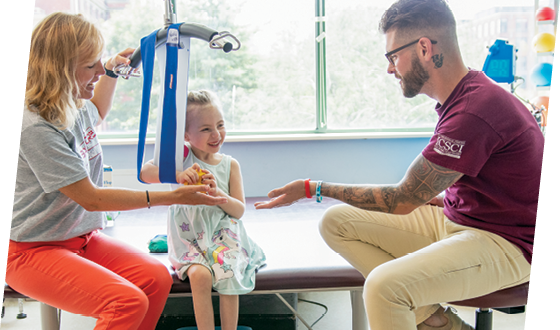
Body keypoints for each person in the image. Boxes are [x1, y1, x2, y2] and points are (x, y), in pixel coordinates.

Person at [255, 0, 544, 329]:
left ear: (424, 48)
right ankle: (435, 321)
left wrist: (312, 188)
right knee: (336, 222)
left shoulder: (474, 110)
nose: (390, 68)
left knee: (384, 288)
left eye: (393, 56)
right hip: (461, 221)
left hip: (509, 245)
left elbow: (401, 200)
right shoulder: (464, 97)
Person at [6, 12, 228, 330]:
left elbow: (97, 110)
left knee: (155, 279)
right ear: (59, 70)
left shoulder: (72, 104)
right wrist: (175, 195)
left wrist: (109, 71)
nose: (99, 70)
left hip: (80, 238)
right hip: (32, 250)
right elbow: (91, 199)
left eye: (99, 62)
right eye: (89, 66)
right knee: (125, 302)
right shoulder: (35, 126)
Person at [141, 90, 266, 330]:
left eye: (220, 125)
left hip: (223, 235)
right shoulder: (181, 158)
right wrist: (176, 174)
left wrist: (220, 195)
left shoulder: (230, 165)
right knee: (200, 276)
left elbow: (238, 211)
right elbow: (144, 174)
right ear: (186, 135)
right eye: (206, 129)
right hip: (190, 237)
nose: (216, 134)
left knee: (227, 271)